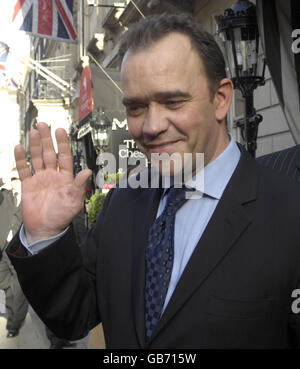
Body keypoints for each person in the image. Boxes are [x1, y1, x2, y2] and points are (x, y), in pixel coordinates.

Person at [6, 13, 300, 348]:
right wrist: (44, 236)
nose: (151, 126)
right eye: (135, 108)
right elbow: (75, 315)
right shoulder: (122, 203)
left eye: (173, 102)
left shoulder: (290, 212)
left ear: (220, 99)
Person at [0, 172, 28, 338]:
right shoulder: (5, 196)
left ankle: (14, 324)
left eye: (17, 178)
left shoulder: (31, 198)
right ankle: (13, 317)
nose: (14, 182)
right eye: (12, 179)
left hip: (20, 249)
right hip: (3, 249)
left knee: (18, 288)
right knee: (6, 286)